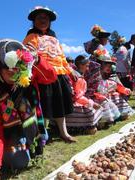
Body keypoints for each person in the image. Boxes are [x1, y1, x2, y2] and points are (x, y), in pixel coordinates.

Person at [0, 39, 55, 179]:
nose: (13, 73)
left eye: (17, 69)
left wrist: (38, 58)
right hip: (8, 130)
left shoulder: (26, 75)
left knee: (43, 137)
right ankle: (19, 143)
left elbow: (50, 77)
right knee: (18, 161)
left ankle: (31, 140)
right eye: (7, 69)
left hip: (30, 122)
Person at [23, 6, 77, 142]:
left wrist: (70, 70)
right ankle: (43, 134)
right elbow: (28, 56)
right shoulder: (31, 36)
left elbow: (61, 56)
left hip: (59, 74)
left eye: (46, 18)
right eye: (39, 17)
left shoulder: (54, 38)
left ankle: (63, 132)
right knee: (43, 104)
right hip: (42, 75)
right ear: (34, 21)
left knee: (60, 104)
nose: (43, 20)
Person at [65, 55, 103, 134]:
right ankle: (82, 128)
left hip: (70, 102)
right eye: (87, 66)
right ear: (80, 65)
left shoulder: (76, 75)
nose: (88, 68)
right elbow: (76, 96)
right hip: (71, 104)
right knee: (89, 110)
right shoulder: (77, 78)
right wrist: (90, 103)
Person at [93, 48, 135, 121]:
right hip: (99, 99)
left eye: (110, 65)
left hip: (112, 98)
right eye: (107, 65)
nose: (109, 67)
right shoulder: (94, 77)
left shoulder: (113, 76)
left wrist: (125, 90)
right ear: (100, 65)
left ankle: (121, 113)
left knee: (116, 95)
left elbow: (119, 87)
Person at [83, 25, 111, 99]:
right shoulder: (100, 47)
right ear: (103, 39)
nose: (107, 40)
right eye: (107, 38)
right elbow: (105, 60)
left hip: (92, 70)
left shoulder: (96, 47)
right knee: (98, 89)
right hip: (99, 71)